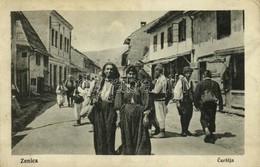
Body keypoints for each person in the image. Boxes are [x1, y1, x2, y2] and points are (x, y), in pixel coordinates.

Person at [115, 65, 151, 155]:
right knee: (127, 135)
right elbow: (118, 103)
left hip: (139, 114)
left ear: (136, 75)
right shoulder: (122, 86)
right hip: (126, 114)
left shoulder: (142, 86)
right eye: (129, 74)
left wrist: (146, 116)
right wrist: (118, 118)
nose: (131, 76)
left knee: (140, 135)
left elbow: (147, 102)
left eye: (133, 74)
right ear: (127, 75)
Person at [91, 62, 120, 155]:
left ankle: (109, 153)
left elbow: (118, 100)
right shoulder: (99, 81)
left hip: (111, 109)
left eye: (111, 69)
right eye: (107, 69)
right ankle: (100, 153)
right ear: (104, 70)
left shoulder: (117, 83)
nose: (109, 71)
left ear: (114, 71)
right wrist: (94, 99)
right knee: (99, 132)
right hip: (99, 109)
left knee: (109, 132)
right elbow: (92, 95)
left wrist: (118, 116)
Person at [194, 70, 223, 143]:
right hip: (213, 103)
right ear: (211, 76)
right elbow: (219, 95)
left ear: (204, 75)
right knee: (212, 118)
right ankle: (211, 133)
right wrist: (221, 106)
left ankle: (206, 129)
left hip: (204, 103)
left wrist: (196, 104)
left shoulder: (200, 84)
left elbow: (196, 95)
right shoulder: (215, 83)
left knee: (203, 118)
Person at [173, 66, 194, 137]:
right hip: (183, 100)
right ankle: (183, 131)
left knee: (189, 115)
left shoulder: (190, 81)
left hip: (189, 100)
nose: (189, 74)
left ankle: (186, 129)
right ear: (184, 73)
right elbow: (177, 91)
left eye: (190, 73)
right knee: (184, 116)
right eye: (187, 73)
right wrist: (177, 101)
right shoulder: (181, 81)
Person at [151, 64, 168, 138]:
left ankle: (162, 132)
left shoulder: (161, 79)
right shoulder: (160, 78)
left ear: (159, 71)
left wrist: (150, 91)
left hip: (159, 99)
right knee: (158, 115)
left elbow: (157, 91)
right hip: (159, 99)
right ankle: (159, 130)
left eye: (156, 71)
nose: (155, 72)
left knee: (160, 115)